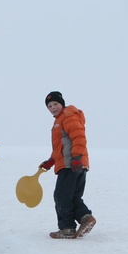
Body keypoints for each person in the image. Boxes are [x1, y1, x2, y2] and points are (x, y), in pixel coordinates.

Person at [39, 91, 96, 239]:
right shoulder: (60, 120)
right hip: (76, 163)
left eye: (55, 104)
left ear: (61, 103)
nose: (52, 107)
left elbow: (79, 137)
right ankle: (85, 218)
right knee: (72, 196)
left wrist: (76, 157)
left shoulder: (68, 116)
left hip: (71, 164)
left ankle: (67, 228)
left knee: (61, 196)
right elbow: (62, 147)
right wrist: (51, 161)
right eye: (49, 106)